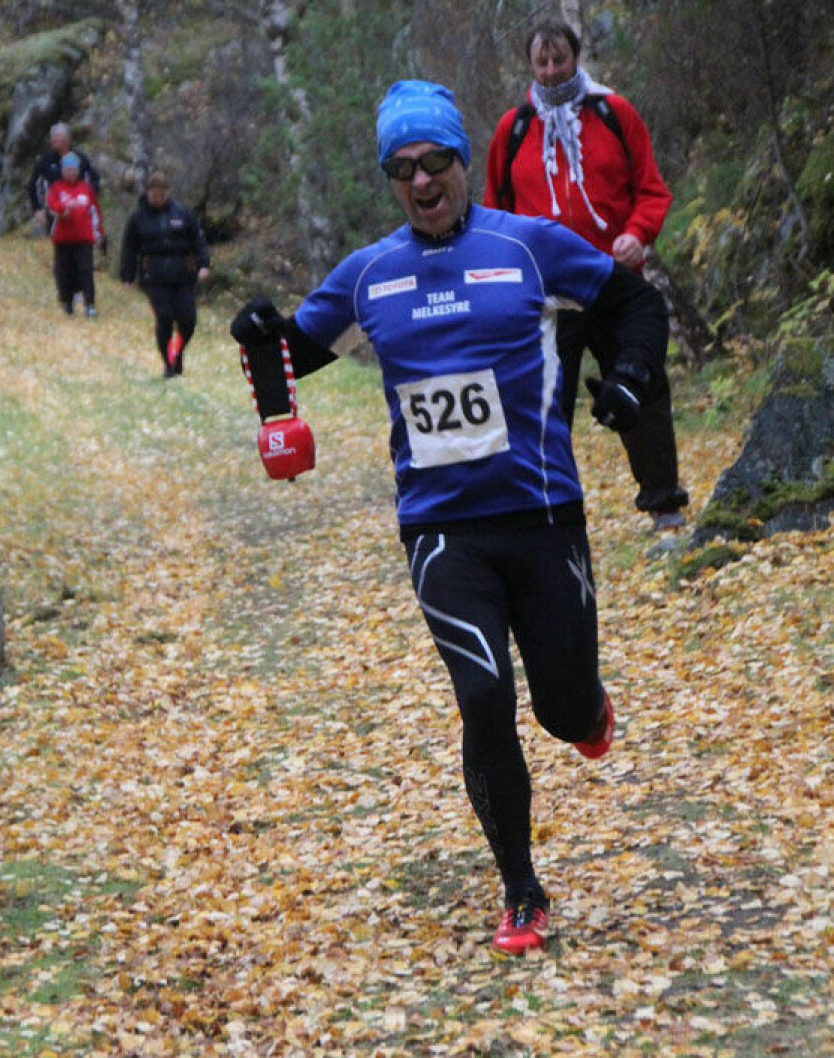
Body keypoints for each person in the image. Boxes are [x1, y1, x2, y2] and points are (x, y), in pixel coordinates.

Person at [230, 80, 669, 956]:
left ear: (465, 163)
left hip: (543, 517)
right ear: (391, 179)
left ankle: (587, 713)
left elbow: (635, 303)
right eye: (404, 169)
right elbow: (293, 352)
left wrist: (629, 381)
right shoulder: (371, 275)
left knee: (560, 708)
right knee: (483, 699)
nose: (423, 181)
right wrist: (261, 344)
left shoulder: (532, 247)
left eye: (436, 162)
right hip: (441, 531)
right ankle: (521, 892)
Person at [484, 19, 689, 530]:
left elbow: (652, 190)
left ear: (576, 58)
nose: (552, 71)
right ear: (530, 67)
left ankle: (664, 506)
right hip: (549, 296)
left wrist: (637, 234)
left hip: (616, 283)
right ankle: (543, 511)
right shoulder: (513, 130)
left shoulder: (613, 113)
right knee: (543, 405)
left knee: (644, 386)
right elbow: (494, 215)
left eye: (560, 60)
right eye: (542, 63)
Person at [119, 171, 211, 378]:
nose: (158, 199)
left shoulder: (182, 213)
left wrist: (204, 264)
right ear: (148, 193)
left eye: (162, 195)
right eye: (154, 195)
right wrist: (127, 276)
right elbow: (129, 248)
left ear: (167, 193)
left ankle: (177, 352)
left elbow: (198, 240)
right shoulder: (138, 217)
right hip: (154, 276)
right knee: (165, 318)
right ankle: (169, 364)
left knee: (188, 320)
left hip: (182, 274)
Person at [46, 153, 105, 318]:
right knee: (64, 271)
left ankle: (90, 304)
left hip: (84, 238)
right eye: (68, 170)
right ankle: (67, 302)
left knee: (86, 270)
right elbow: (51, 205)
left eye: (74, 170)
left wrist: (99, 233)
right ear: (63, 171)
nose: (71, 173)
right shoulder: (57, 188)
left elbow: (95, 211)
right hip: (63, 239)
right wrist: (63, 208)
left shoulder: (86, 188)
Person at [29, 123, 102, 235]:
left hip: (80, 213)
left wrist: (90, 201)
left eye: (56, 136)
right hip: (54, 213)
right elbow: (33, 184)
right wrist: (37, 209)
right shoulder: (46, 161)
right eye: (52, 136)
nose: (53, 139)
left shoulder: (80, 159)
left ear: (67, 138)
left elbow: (94, 179)